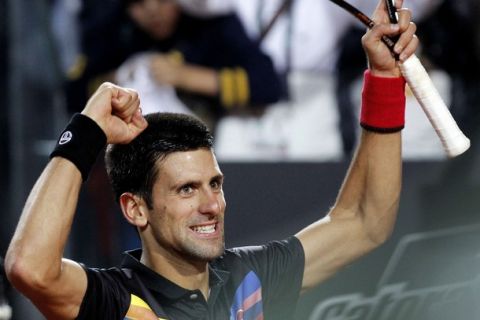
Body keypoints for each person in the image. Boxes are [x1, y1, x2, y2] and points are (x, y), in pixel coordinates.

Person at [4, 0, 418, 318]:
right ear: (135, 208)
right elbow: (30, 269)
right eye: (186, 189)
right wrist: (86, 134)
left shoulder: (251, 277)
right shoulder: (114, 300)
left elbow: (366, 221)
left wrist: (383, 79)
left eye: (214, 184)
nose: (212, 205)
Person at [66, 0, 284, 123]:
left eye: (162, 0)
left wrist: (186, 76)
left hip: (208, 142)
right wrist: (118, 80)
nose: (153, 12)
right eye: (139, 3)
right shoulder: (115, 29)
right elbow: (73, 93)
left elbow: (268, 84)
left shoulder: (210, 23)